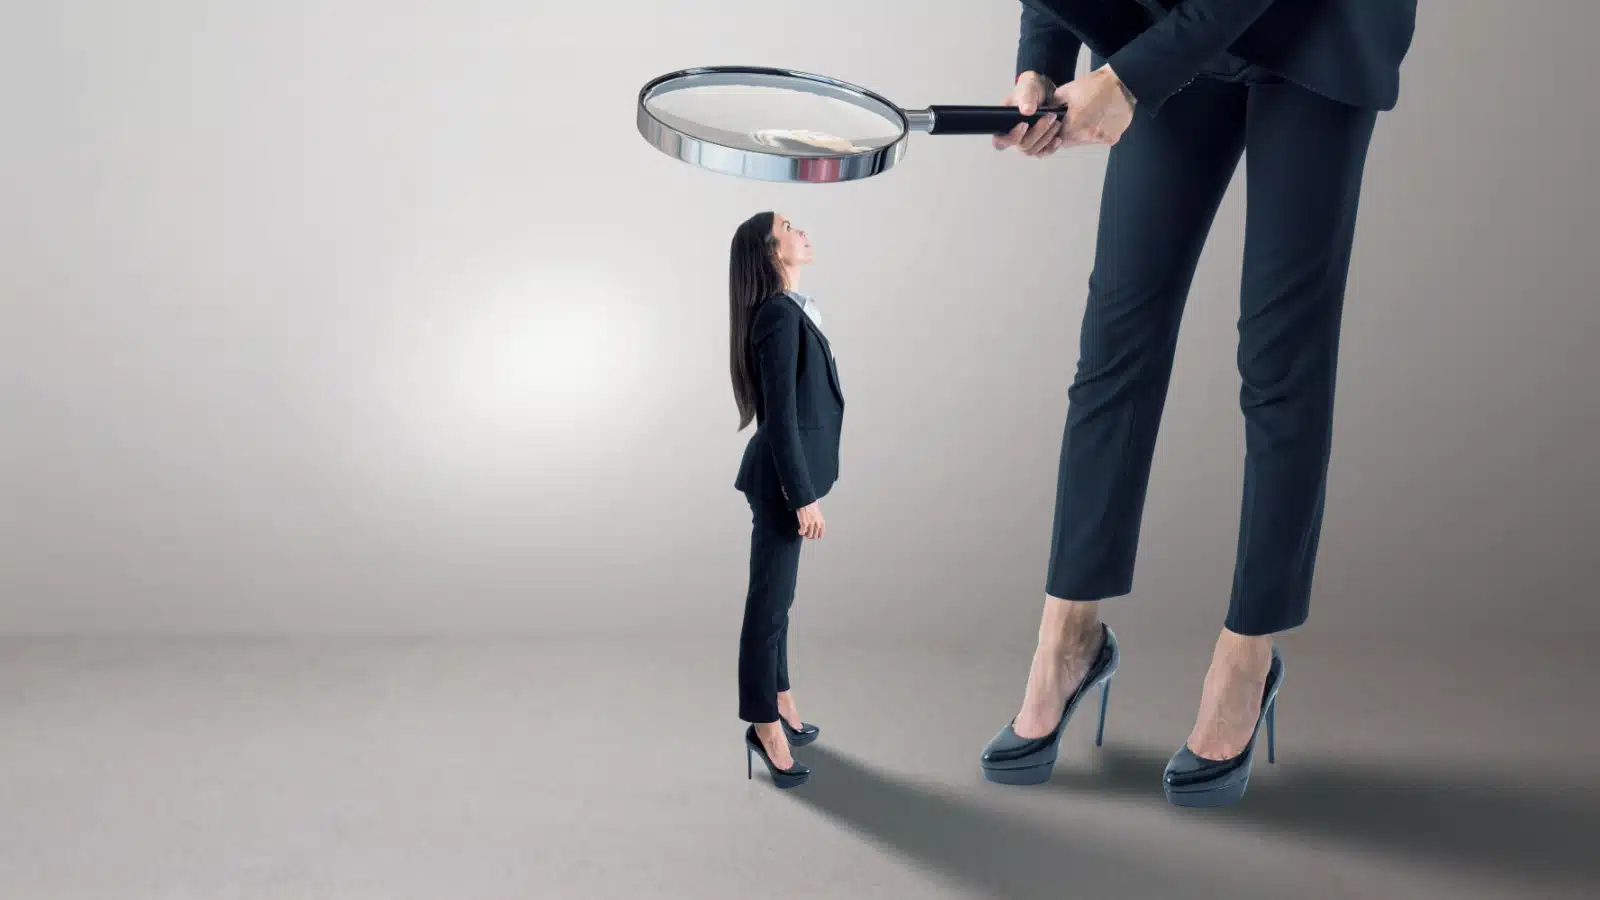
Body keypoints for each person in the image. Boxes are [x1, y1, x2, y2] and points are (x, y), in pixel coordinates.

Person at [977, 0, 1417, 807]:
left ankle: (1246, 656)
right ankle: (1069, 636)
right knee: (1116, 338)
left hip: (1318, 31)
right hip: (1174, 23)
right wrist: (1042, 57)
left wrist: (1128, 78)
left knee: (1279, 357)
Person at [728, 211, 843, 789]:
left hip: (785, 480)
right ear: (772, 253)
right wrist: (802, 499)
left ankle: (784, 703)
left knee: (781, 603)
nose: (803, 231)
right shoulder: (776, 315)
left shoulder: (788, 309)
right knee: (767, 609)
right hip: (779, 483)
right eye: (790, 228)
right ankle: (763, 727)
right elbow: (779, 420)